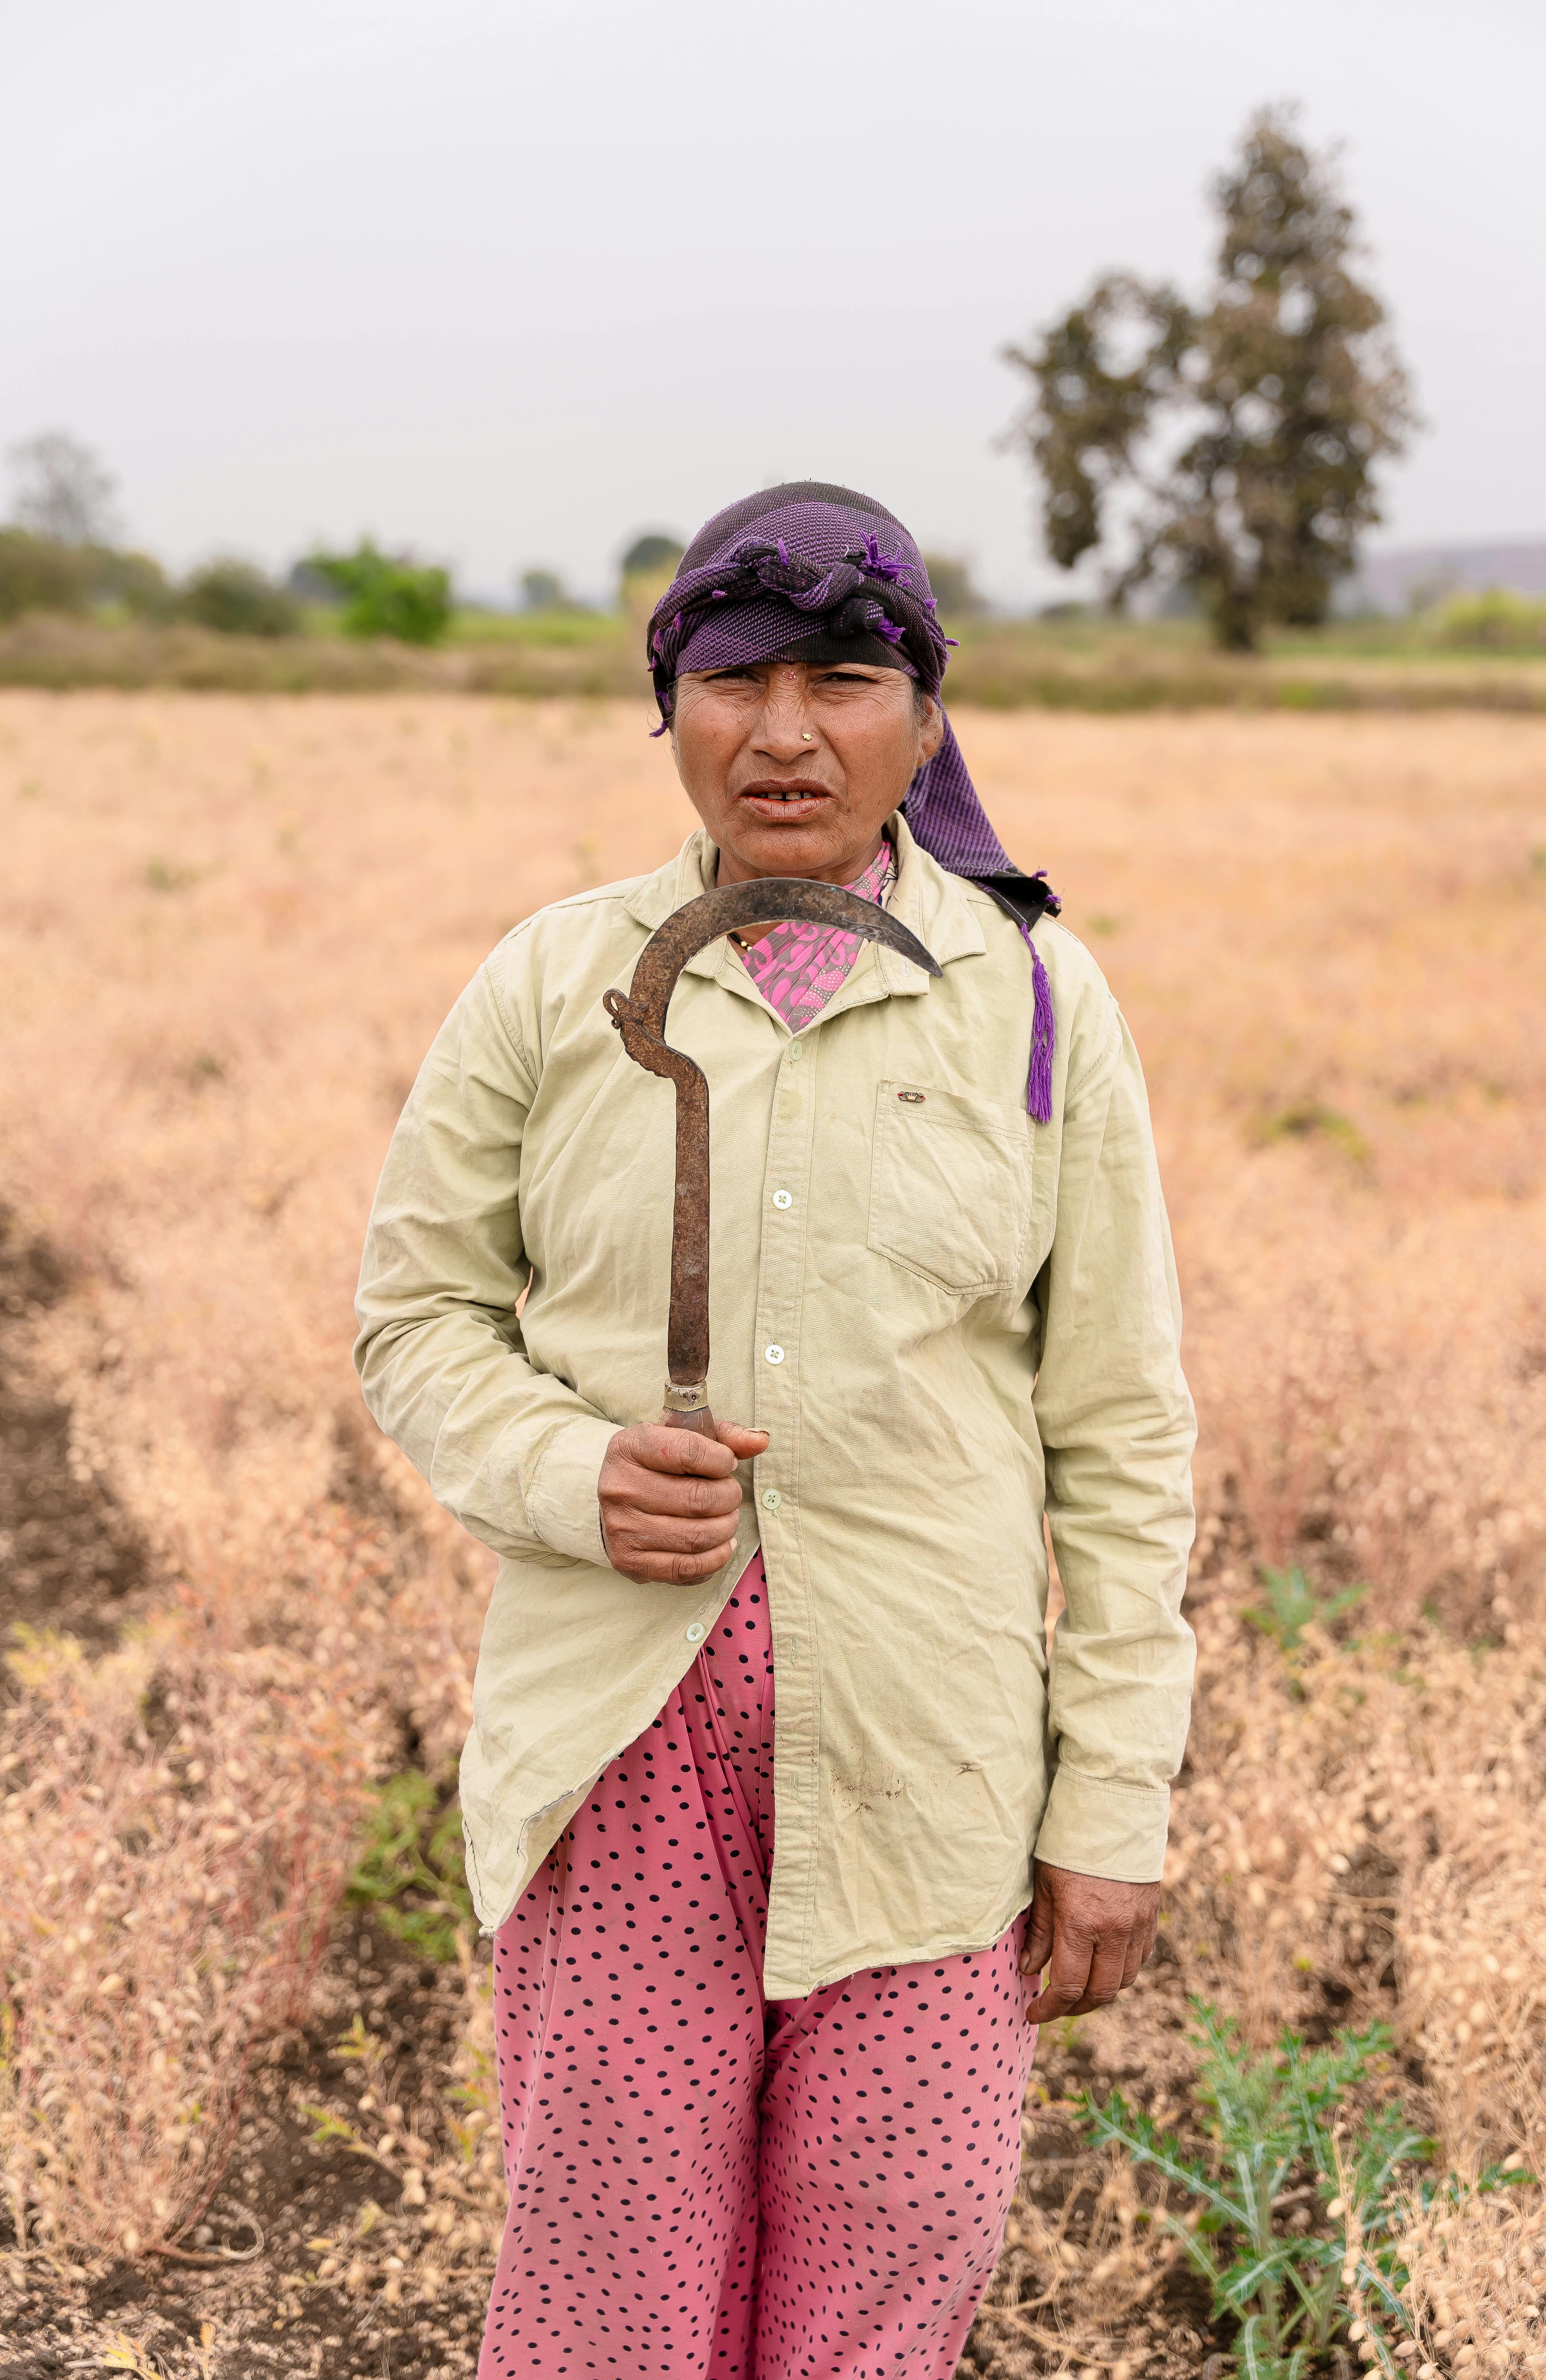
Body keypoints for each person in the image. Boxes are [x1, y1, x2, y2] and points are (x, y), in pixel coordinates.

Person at [354, 482, 1196, 2380]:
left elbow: (1124, 1437)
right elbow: (415, 1317)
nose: (787, 733)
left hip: (929, 1772)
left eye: (843, 679)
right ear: (671, 709)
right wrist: (567, 1472)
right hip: (622, 1761)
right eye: (734, 680)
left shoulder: (1039, 1002)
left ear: (925, 714)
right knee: (609, 2317)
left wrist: (1113, 1795)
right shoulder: (552, 986)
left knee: (878, 2308)